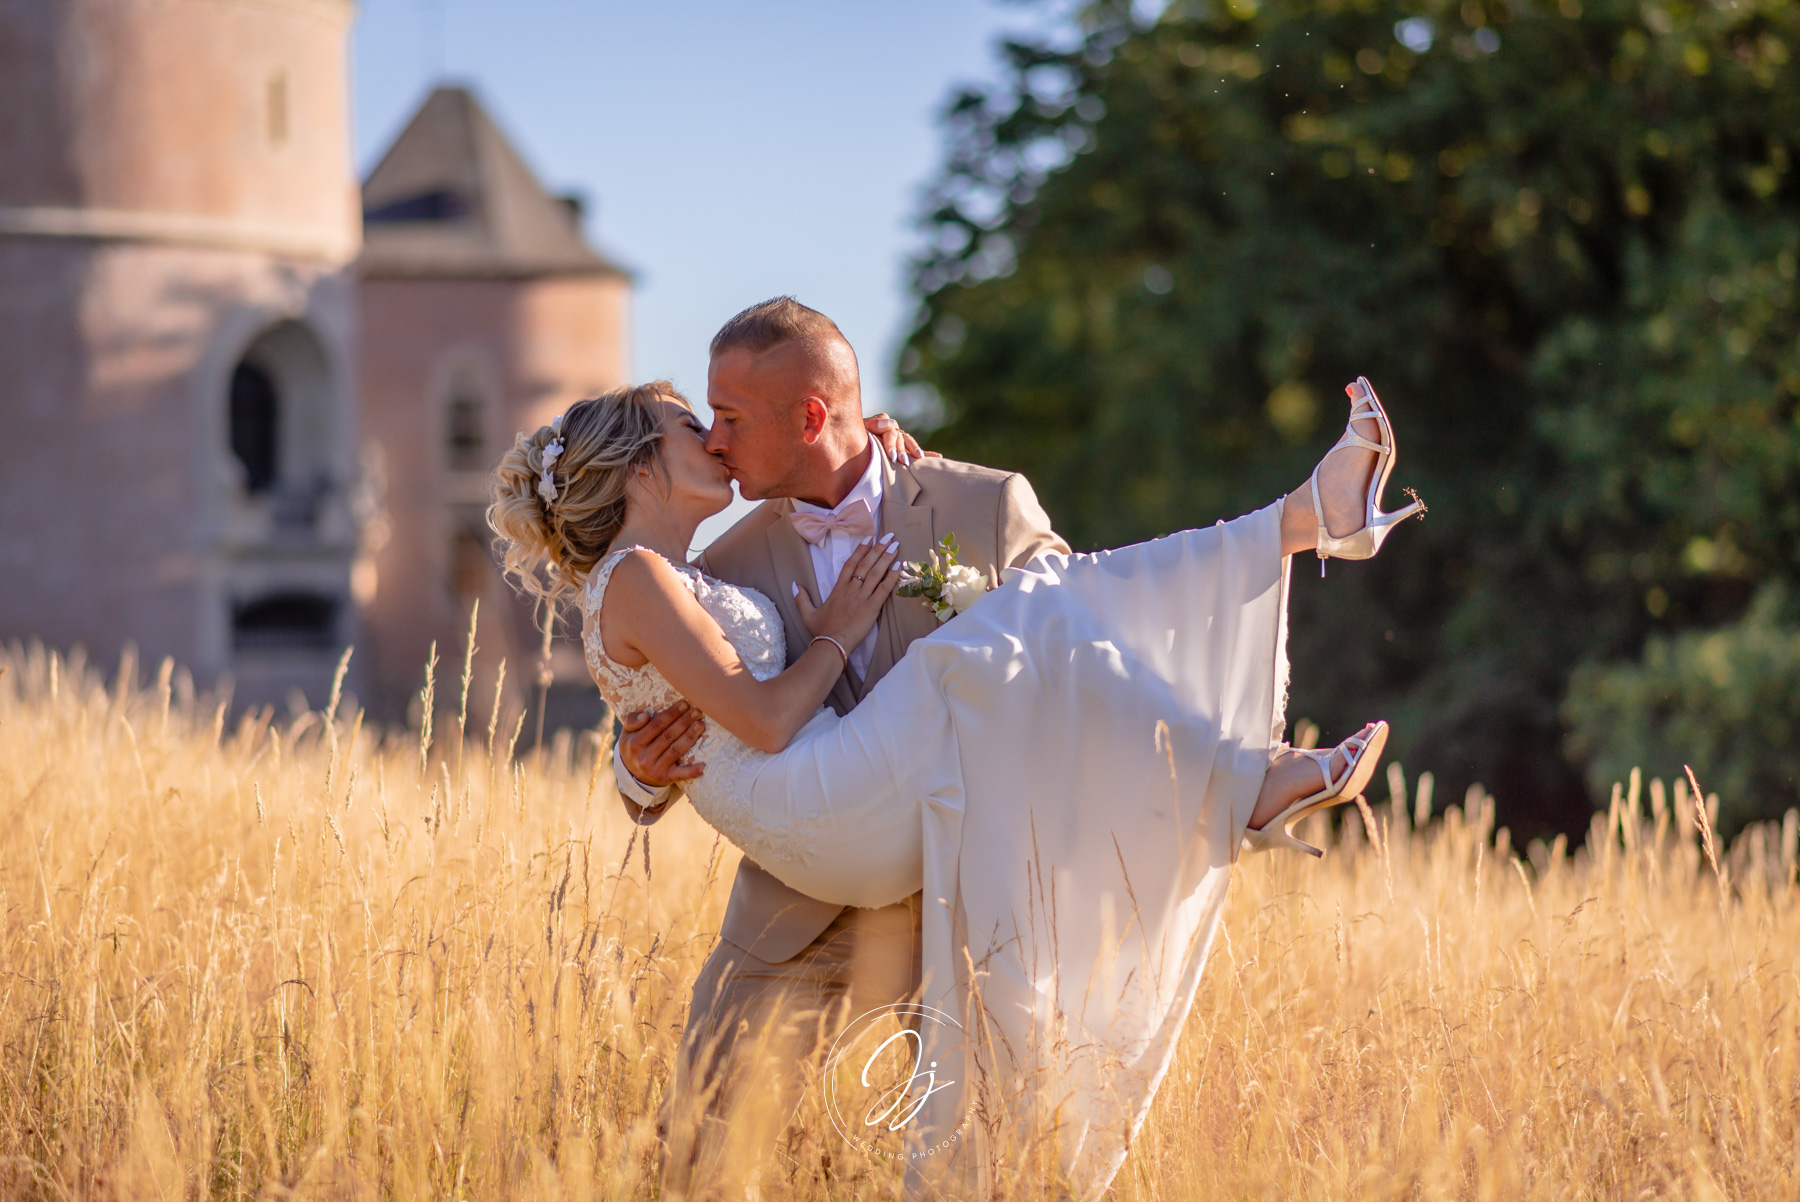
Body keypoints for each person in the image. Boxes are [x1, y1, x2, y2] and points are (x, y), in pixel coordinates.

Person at [487, 298, 1423, 1196]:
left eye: (726, 416)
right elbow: (673, 700)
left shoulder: (982, 504)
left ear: (813, 415)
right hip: (801, 908)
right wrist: (634, 771)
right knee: (702, 1157)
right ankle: (1289, 582)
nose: (718, 439)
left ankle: (1284, 589)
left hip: (972, 902)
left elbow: (1097, 657)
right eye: (703, 423)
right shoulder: (714, 562)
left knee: (987, 1160)